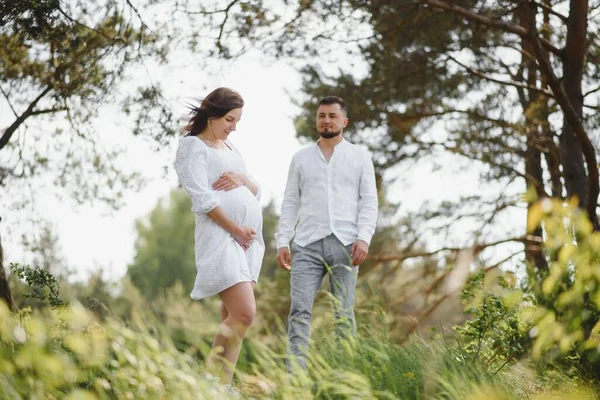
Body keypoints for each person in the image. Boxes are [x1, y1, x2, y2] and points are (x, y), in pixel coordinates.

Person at [275, 96, 378, 371]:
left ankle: (346, 377)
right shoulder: (301, 158)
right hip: (306, 244)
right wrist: (282, 239)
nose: (326, 120)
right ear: (316, 120)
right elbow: (290, 202)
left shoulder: (360, 157)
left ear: (344, 121)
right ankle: (295, 379)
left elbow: (369, 201)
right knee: (299, 312)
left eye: (332, 115)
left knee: (343, 313)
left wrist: (364, 237)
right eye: (321, 115)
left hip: (346, 244)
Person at [174, 87, 264, 389]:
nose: (233, 127)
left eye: (237, 121)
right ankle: (208, 384)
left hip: (248, 243)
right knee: (244, 313)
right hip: (222, 236)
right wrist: (235, 229)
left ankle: (222, 389)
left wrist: (243, 179)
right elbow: (201, 198)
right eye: (229, 119)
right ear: (212, 115)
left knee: (233, 318)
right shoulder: (192, 147)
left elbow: (255, 191)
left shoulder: (231, 149)